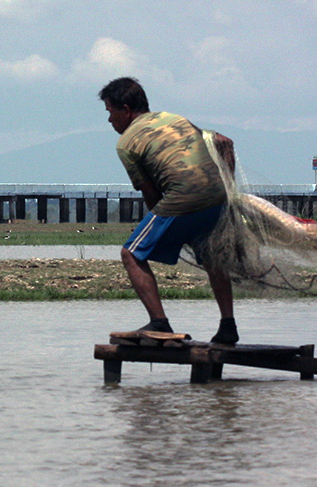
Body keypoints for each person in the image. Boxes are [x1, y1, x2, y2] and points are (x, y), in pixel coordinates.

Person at [98, 76, 239, 344]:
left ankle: (160, 323)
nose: (109, 120)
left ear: (125, 110)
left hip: (182, 199)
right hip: (217, 197)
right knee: (212, 257)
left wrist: (162, 224)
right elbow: (224, 141)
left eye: (110, 112)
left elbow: (151, 193)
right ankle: (228, 325)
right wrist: (229, 191)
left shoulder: (126, 143)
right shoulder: (174, 119)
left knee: (131, 254)